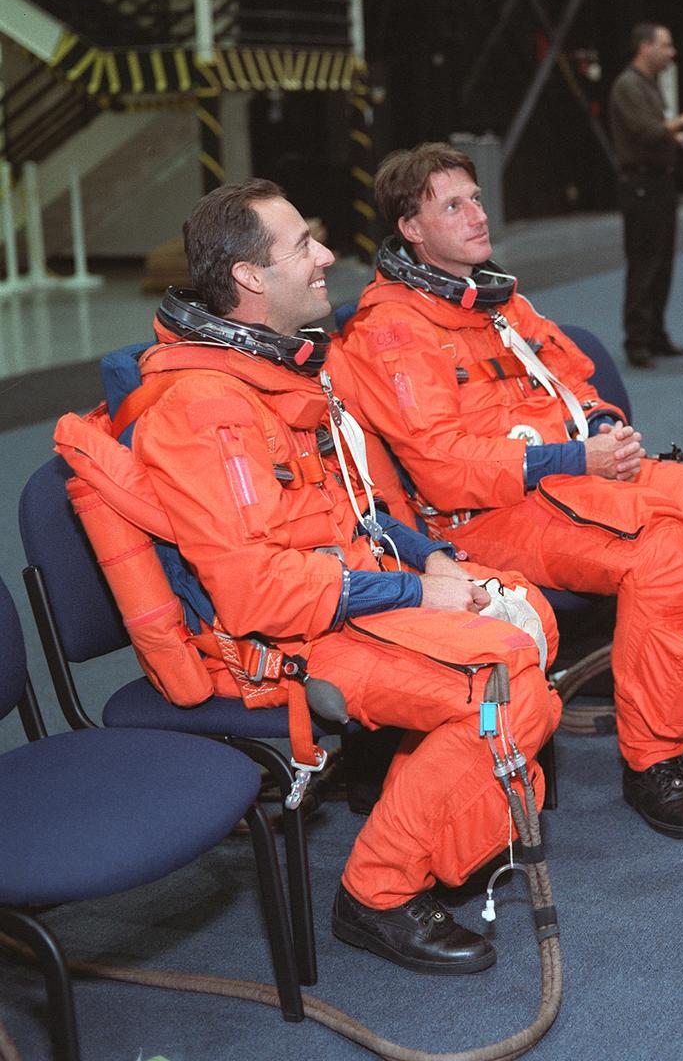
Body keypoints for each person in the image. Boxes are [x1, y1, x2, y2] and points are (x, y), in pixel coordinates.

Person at [337, 142, 683, 842]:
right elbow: (443, 468)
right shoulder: (390, 331)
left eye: (476, 197)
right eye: (453, 205)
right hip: (492, 514)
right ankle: (654, 761)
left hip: (582, 477)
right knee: (665, 557)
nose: (477, 214)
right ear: (409, 229)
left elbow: (575, 379)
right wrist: (576, 453)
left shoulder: (499, 300)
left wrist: (603, 425)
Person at [131, 179, 561, 973]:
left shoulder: (276, 375)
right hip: (272, 642)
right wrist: (413, 589)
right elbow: (256, 592)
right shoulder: (205, 410)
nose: (327, 255)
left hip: (339, 594)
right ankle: (376, 893)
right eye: (304, 245)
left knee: (523, 609)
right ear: (251, 279)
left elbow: (347, 511)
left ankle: (430, 809)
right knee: (500, 682)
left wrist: (424, 554)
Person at [607, 22, 683, 368]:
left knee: (661, 263)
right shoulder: (628, 85)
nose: (671, 53)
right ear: (645, 47)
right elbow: (646, 132)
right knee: (645, 262)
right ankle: (638, 339)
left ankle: (655, 334)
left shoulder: (645, 84)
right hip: (642, 185)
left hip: (657, 183)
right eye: (666, 45)